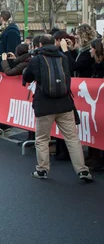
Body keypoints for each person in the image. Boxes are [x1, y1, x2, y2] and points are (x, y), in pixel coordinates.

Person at [22, 34, 93, 182]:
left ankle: (42, 169)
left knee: (42, 138)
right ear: (54, 43)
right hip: (65, 103)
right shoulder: (63, 58)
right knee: (72, 138)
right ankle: (82, 170)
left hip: (45, 104)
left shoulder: (37, 59)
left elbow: (27, 76)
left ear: (40, 44)